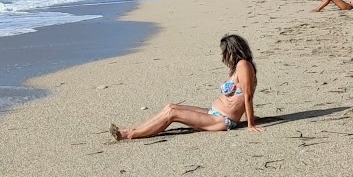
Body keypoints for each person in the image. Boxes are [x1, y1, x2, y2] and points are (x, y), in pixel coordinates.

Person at [110, 34, 259, 139]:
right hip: (214, 113)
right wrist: (247, 118)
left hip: (222, 120)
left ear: (233, 50)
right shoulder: (240, 66)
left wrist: (250, 124)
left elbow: (247, 95)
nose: (224, 57)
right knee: (170, 107)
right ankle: (133, 129)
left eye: (225, 52)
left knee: (172, 114)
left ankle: (129, 135)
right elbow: (241, 97)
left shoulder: (243, 65)